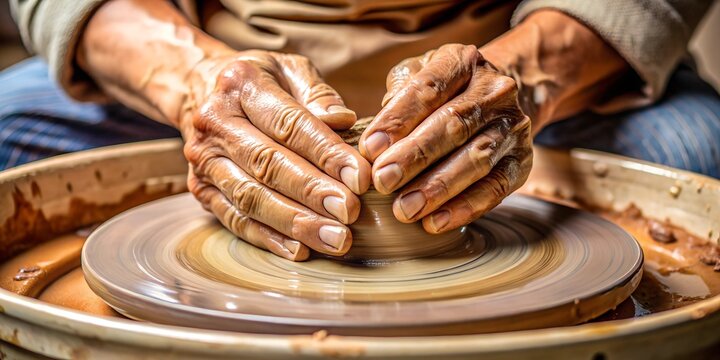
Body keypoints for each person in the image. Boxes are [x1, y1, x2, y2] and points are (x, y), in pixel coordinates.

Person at [2, 0, 718, 260]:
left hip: (521, 54)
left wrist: (525, 76)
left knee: (700, 159)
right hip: (219, 51)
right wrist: (191, 78)